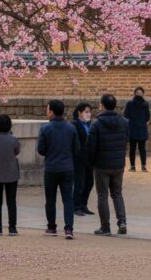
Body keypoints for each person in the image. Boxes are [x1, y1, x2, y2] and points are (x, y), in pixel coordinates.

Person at [37, 98, 79, 239]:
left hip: (51, 167)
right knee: (68, 199)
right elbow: (77, 149)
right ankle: (69, 228)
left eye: (48, 109)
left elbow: (41, 150)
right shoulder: (71, 128)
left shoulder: (45, 128)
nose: (47, 112)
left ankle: (51, 227)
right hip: (67, 167)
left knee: (50, 199)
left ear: (52, 111)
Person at [88, 93, 129, 236]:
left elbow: (91, 146)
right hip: (118, 163)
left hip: (102, 164)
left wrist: (91, 162)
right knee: (117, 193)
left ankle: (105, 226)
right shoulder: (124, 122)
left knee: (102, 195)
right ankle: (122, 222)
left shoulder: (97, 123)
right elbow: (125, 141)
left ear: (102, 105)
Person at [72, 102, 94, 216]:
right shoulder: (75, 125)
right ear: (79, 113)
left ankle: (83, 204)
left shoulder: (90, 125)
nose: (88, 114)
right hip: (78, 159)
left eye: (89, 112)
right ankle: (76, 206)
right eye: (86, 112)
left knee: (89, 182)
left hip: (89, 159)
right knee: (79, 183)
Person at [123, 87, 149, 172]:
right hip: (132, 128)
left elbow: (147, 116)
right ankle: (132, 166)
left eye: (141, 92)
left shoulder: (145, 104)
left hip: (142, 129)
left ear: (143, 93)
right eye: (138, 92)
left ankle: (143, 166)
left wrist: (144, 123)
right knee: (132, 148)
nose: (139, 93)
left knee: (142, 149)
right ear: (134, 93)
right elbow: (126, 115)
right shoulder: (129, 103)